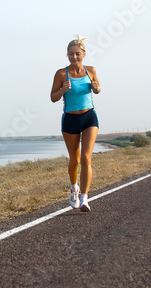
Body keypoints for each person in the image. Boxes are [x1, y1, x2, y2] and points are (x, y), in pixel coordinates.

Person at [50, 35, 101, 212]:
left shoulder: (91, 70)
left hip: (89, 117)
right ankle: (74, 189)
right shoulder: (61, 74)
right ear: (67, 55)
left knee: (86, 158)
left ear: (84, 54)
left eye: (77, 54)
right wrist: (63, 89)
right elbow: (53, 98)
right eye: (71, 54)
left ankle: (85, 198)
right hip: (70, 119)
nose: (74, 57)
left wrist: (96, 87)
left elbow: (98, 88)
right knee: (75, 160)